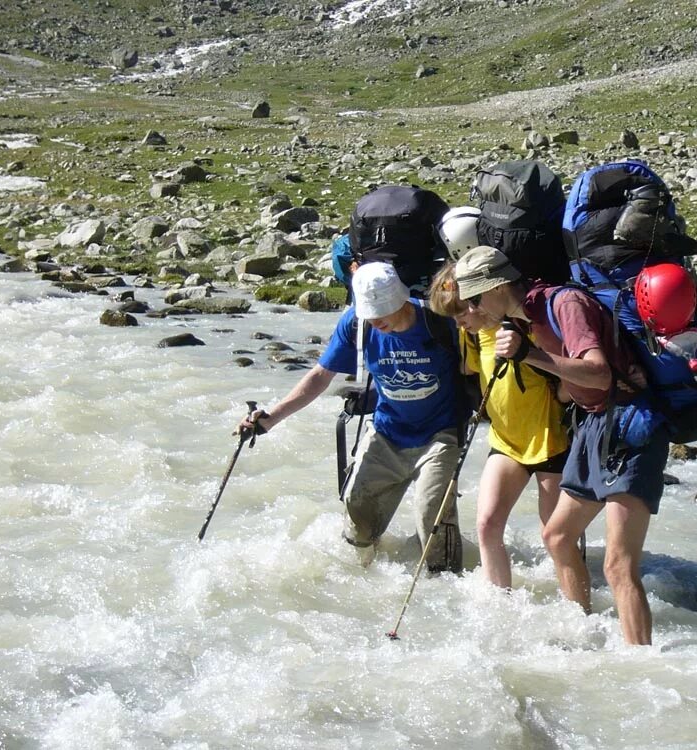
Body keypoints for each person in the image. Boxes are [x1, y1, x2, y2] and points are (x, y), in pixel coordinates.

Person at [454, 246, 669, 645]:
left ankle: (641, 671)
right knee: (557, 537)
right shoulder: (528, 318)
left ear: (499, 287)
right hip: (595, 427)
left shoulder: (565, 304)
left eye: (475, 298)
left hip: (631, 424)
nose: (472, 307)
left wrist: (531, 356)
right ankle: (584, 637)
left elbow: (600, 373)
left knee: (618, 566)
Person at [241, 261, 466, 573]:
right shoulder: (355, 324)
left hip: (440, 433)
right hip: (388, 430)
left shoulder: (439, 322)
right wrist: (270, 419)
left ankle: (445, 582)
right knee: (356, 508)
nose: (375, 321)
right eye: (369, 313)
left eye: (381, 311)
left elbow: (477, 367)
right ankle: (363, 575)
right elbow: (321, 375)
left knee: (432, 514)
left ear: (400, 299)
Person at [428, 263, 569, 589]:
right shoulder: (472, 337)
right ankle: (499, 602)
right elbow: (471, 372)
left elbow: (565, 371)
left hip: (552, 440)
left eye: (463, 311)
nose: (459, 321)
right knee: (488, 524)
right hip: (507, 441)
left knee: (557, 538)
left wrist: (562, 399)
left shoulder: (524, 330)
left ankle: (571, 608)